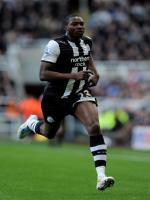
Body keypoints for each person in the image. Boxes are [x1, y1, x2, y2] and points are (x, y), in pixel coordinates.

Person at [17, 15, 115, 191]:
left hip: (78, 93)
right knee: (49, 133)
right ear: (66, 26)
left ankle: (101, 176)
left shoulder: (87, 42)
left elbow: (87, 57)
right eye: (74, 24)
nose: (79, 27)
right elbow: (43, 74)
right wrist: (72, 76)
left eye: (81, 24)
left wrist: (95, 72)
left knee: (93, 126)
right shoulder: (55, 45)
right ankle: (32, 123)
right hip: (55, 97)